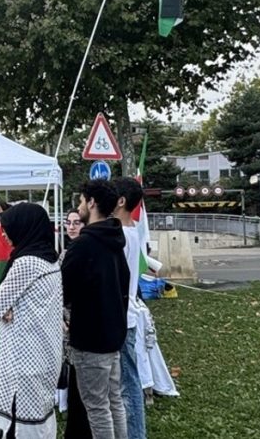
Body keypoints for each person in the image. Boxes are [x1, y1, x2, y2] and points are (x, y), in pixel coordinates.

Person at [0, 203, 63, 438]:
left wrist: (5, 306)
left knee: (18, 424)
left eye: (8, 228)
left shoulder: (26, 263)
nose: (4, 234)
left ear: (24, 228)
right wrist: (7, 306)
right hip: (44, 353)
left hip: (22, 360)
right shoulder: (51, 260)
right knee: (38, 418)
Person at [61, 180, 129, 439]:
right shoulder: (115, 241)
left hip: (90, 340)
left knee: (97, 408)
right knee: (114, 403)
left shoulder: (84, 245)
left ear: (91, 202)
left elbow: (63, 290)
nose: (78, 207)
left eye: (80, 201)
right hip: (113, 337)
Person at [111, 177, 148, 439]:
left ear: (121, 201)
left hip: (122, 318)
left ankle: (135, 434)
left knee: (128, 385)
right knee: (126, 382)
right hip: (127, 316)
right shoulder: (132, 230)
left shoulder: (122, 236)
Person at [61, 208, 92, 439]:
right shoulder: (62, 254)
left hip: (80, 325)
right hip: (68, 326)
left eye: (76, 222)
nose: (71, 226)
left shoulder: (84, 252)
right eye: (68, 222)